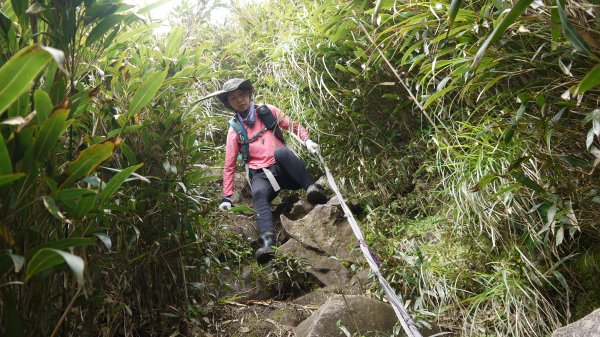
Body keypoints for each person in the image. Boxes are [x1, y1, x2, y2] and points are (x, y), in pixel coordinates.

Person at [201, 78, 327, 264]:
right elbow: (229, 166)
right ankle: (268, 241)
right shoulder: (234, 130)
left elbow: (292, 126)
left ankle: (312, 188)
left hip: (285, 169)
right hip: (261, 173)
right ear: (229, 103)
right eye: (233, 98)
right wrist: (226, 197)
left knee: (282, 152)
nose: (239, 100)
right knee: (258, 192)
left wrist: (307, 140)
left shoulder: (267, 111)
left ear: (249, 94)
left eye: (242, 94)